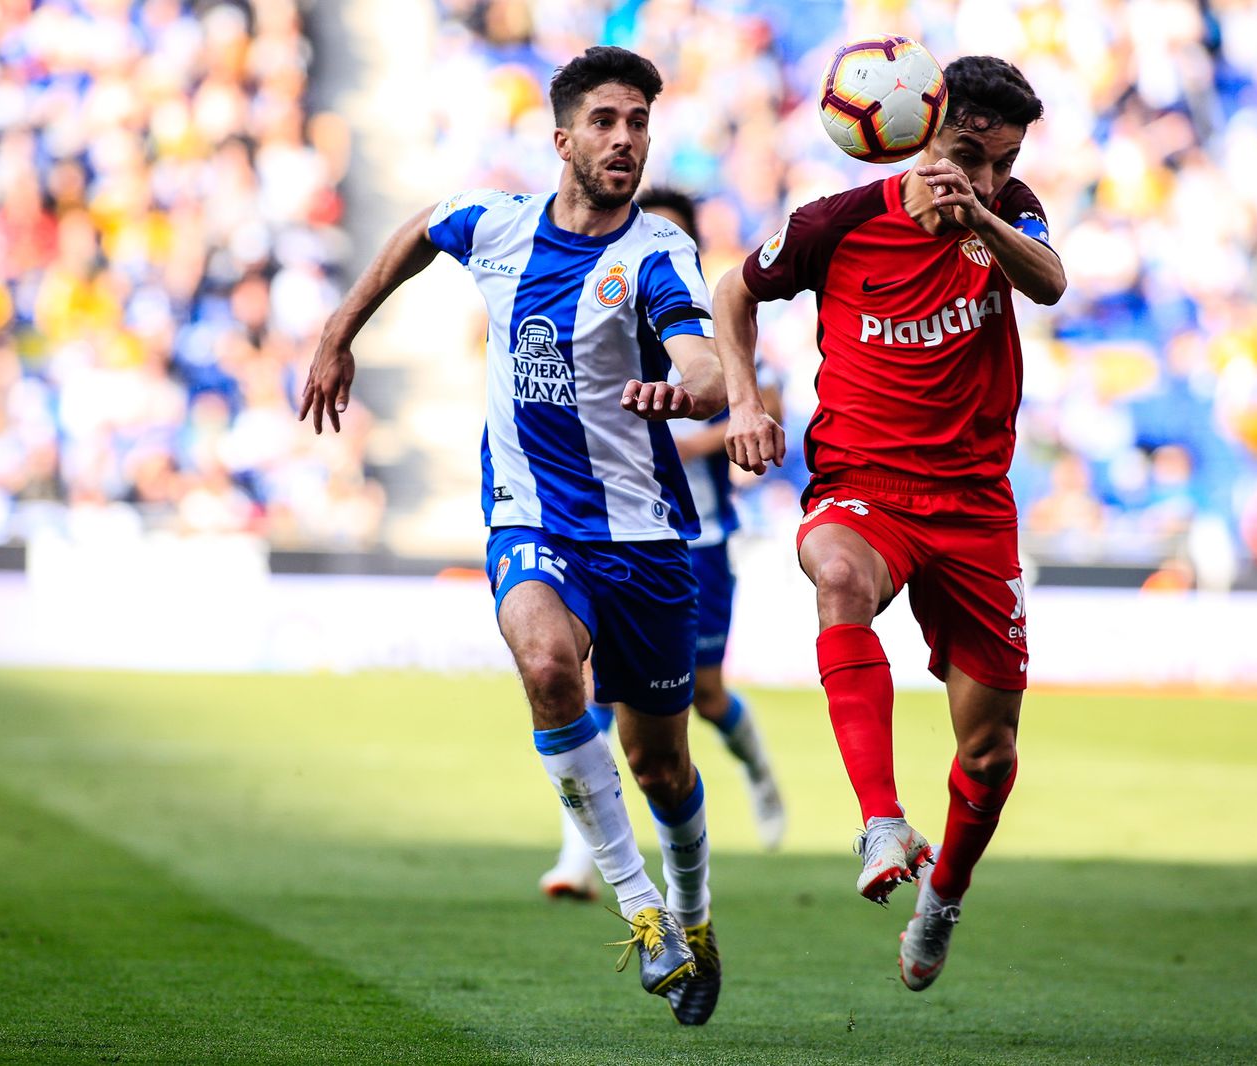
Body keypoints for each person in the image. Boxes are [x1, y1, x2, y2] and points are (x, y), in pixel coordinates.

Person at [298, 46, 727, 1024]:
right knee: (543, 664)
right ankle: (642, 909)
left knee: (660, 763)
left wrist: (686, 389)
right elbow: (419, 228)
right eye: (608, 122)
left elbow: (703, 364)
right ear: (564, 138)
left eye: (639, 123)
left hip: (646, 543)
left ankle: (696, 913)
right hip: (533, 519)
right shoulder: (496, 225)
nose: (626, 139)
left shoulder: (654, 251)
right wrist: (340, 327)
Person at [712, 55, 1065, 991]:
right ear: (919, 129)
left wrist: (983, 214)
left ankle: (944, 895)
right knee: (836, 577)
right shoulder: (836, 223)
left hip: (974, 506)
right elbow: (732, 290)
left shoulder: (1007, 210)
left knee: (988, 754)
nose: (986, 175)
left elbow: (1052, 284)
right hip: (864, 483)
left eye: (1004, 160)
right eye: (969, 155)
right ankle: (879, 818)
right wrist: (743, 400)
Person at [539, 189, 787, 904]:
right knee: (583, 691)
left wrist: (693, 414)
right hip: (606, 532)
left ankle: (759, 771)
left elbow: (759, 416)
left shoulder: (715, 331)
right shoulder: (595, 316)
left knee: (704, 699)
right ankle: (578, 858)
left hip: (697, 540)